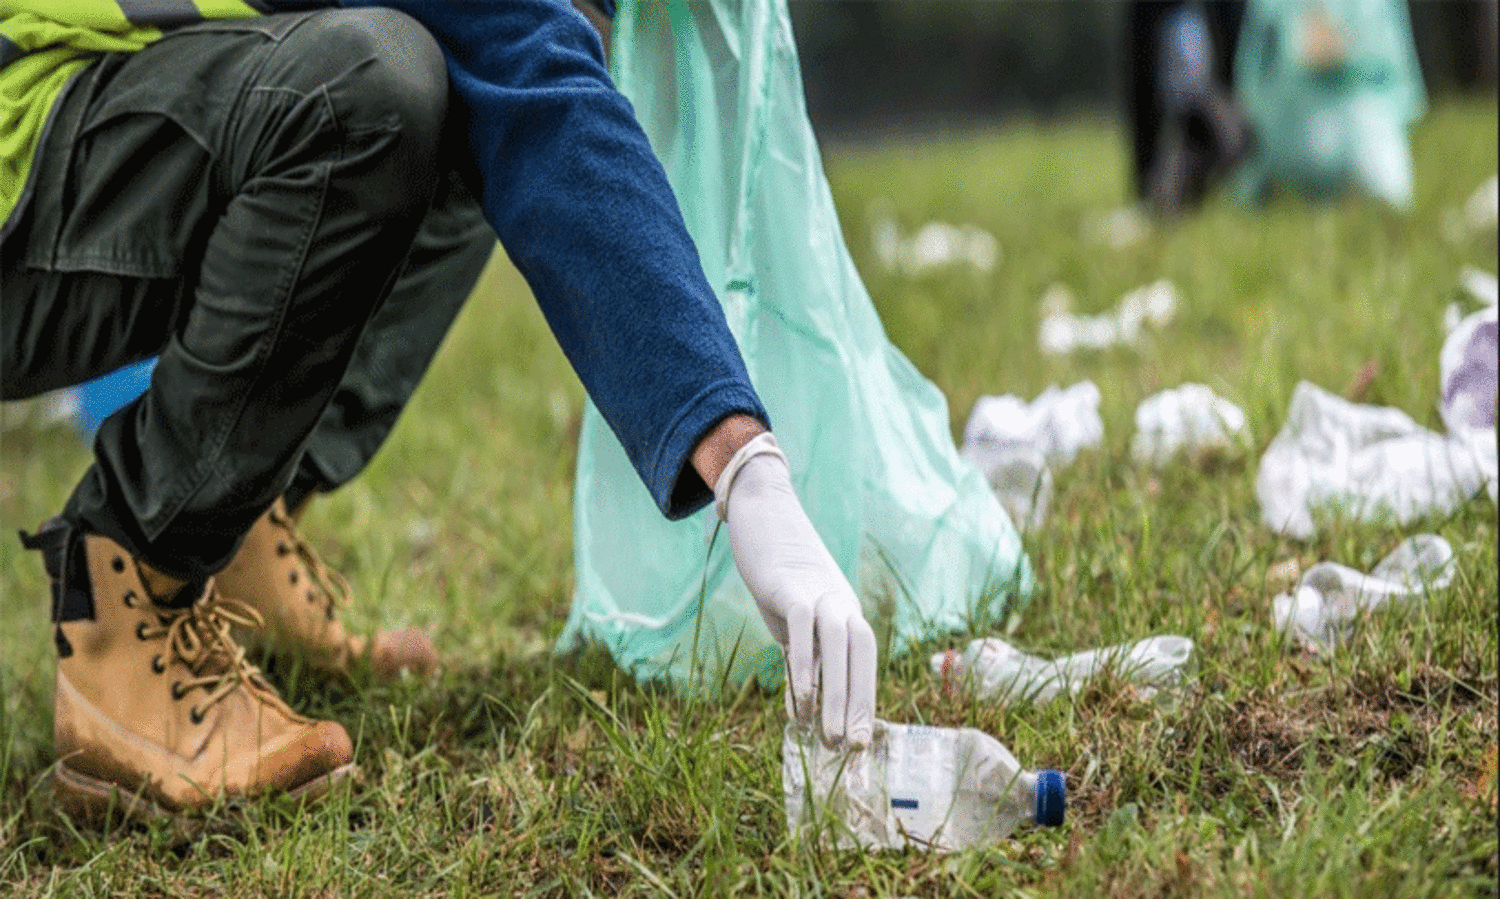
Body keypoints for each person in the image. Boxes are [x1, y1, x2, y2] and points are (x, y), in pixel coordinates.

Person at [1, 0, 876, 822]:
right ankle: (133, 586)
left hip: (105, 108)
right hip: (24, 131)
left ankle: (235, 524)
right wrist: (744, 467)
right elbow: (532, 75)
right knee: (374, 88)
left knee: (464, 85)